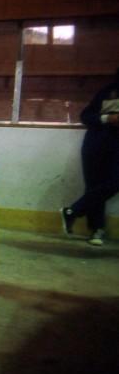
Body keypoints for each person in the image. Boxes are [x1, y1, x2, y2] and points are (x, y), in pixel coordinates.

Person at [61, 68, 119, 246]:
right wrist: (107, 119)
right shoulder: (108, 92)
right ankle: (96, 229)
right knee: (94, 185)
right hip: (96, 143)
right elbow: (86, 116)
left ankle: (73, 211)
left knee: (114, 182)